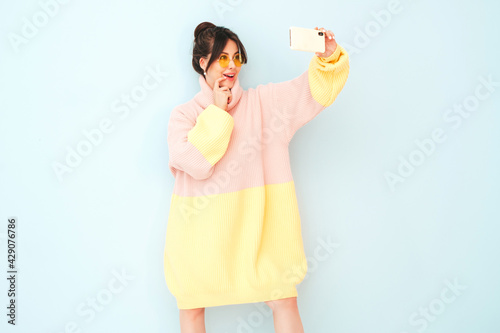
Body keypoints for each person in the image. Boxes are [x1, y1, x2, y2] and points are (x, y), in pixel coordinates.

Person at [164, 21, 349, 333]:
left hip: (262, 233)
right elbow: (196, 163)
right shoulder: (184, 115)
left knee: (284, 299)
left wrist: (327, 59)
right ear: (202, 63)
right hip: (200, 234)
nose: (232, 65)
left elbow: (313, 93)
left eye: (236, 57)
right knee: (192, 306)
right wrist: (219, 113)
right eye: (222, 58)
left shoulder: (265, 104)